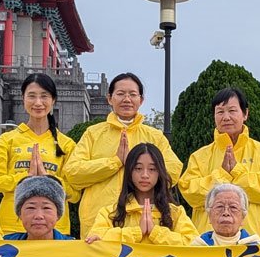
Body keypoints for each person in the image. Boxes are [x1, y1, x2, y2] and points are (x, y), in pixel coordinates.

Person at [64, 72, 182, 236]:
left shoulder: (154, 136)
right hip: (99, 222)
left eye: (132, 94)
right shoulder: (93, 133)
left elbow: (173, 171)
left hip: (143, 220)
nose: (127, 99)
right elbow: (72, 173)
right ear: (109, 98)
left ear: (141, 100)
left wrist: (138, 170)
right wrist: (115, 162)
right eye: (120, 94)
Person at [179, 87, 260, 241]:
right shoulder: (199, 156)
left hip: (251, 242)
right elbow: (190, 193)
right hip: (209, 243)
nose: (226, 117)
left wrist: (237, 172)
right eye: (220, 112)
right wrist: (222, 175)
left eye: (232, 111)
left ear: (245, 114)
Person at [0, 73, 79, 236]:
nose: (38, 103)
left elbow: (75, 194)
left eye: (44, 96)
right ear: (23, 99)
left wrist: (49, 180)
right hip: (11, 228)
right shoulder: (7, 139)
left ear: (53, 100)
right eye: (32, 96)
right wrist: (25, 178)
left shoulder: (67, 144)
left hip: (55, 231)